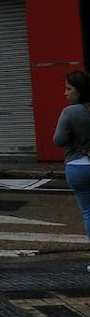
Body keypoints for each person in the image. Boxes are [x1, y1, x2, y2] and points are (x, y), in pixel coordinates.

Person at [53, 70, 90, 248]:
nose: (65, 93)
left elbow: (59, 140)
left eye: (68, 88)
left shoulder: (70, 112)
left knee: (89, 212)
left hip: (78, 166)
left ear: (80, 90)